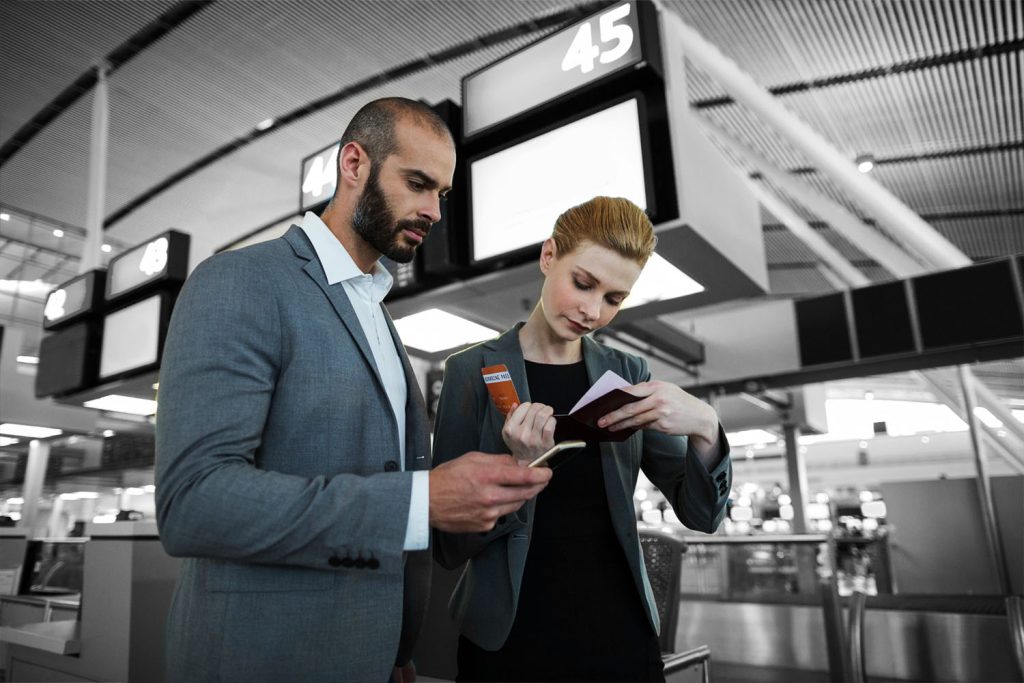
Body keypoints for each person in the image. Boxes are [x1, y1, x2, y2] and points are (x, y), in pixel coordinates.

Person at [154, 97, 552, 683]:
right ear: (353, 164)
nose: (433, 211)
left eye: (441, 194)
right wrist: (420, 502)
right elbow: (195, 503)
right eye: (417, 183)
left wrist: (391, 649)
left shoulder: (379, 320)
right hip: (260, 661)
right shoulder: (240, 281)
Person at [432, 196, 733, 682]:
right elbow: (449, 545)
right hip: (510, 634)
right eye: (583, 283)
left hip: (618, 629)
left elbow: (702, 514)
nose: (593, 311)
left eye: (614, 299)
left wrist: (705, 426)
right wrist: (519, 471)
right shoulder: (471, 371)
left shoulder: (626, 373)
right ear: (549, 257)